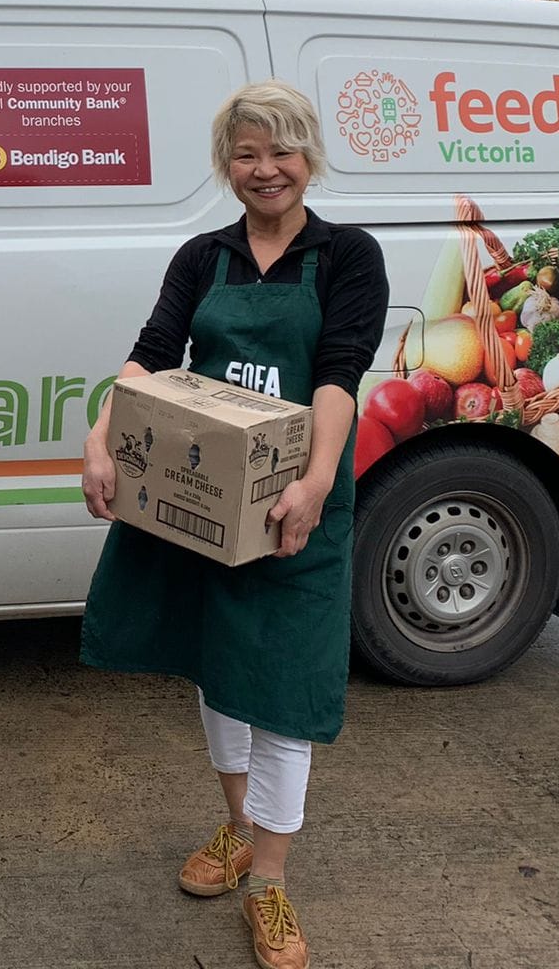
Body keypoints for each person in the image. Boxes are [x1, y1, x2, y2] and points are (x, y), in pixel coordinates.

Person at [79, 80, 390, 969]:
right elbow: (152, 352)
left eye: (282, 151)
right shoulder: (202, 255)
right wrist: (102, 438)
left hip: (296, 507)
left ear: (309, 158)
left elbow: (339, 373)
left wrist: (318, 482)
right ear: (228, 164)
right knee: (219, 673)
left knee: (284, 692)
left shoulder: (345, 257)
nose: (266, 170)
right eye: (248, 154)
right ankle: (236, 827)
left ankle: (271, 886)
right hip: (208, 507)